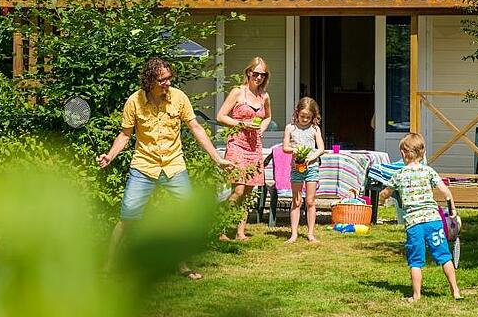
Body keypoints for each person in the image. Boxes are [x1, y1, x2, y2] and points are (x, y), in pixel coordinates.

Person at [97, 56, 234, 279]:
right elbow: (125, 135)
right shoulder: (134, 102)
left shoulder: (179, 98)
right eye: (163, 79)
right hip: (144, 166)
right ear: (150, 80)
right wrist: (109, 156)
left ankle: (183, 266)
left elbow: (196, 128)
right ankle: (109, 265)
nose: (168, 83)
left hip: (173, 165)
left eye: (170, 78)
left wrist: (217, 159)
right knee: (128, 217)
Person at [378, 132, 462, 302]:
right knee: (444, 255)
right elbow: (446, 192)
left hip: (414, 224)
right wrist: (452, 210)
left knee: (415, 260)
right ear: (423, 153)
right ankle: (455, 291)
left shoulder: (399, 175)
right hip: (434, 221)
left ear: (403, 153)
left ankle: (416, 295)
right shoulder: (429, 171)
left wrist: (381, 198)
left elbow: (386, 193)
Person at [216, 57, 272, 241]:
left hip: (254, 146)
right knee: (238, 190)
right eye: (255, 73)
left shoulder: (264, 96)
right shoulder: (237, 92)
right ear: (248, 72)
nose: (258, 78)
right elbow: (221, 116)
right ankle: (221, 227)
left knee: (248, 191)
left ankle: (240, 231)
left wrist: (261, 130)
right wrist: (241, 124)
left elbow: (267, 117)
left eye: (262, 75)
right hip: (237, 144)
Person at [282, 97, 325, 244]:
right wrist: (295, 150)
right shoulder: (290, 128)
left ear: (313, 116)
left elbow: (321, 148)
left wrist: (312, 157)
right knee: (296, 200)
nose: (305, 119)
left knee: (310, 200)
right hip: (296, 167)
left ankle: (311, 233)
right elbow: (285, 147)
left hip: (311, 167)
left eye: (308, 117)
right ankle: (294, 233)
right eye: (302, 116)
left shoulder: (315, 129)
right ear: (297, 113)